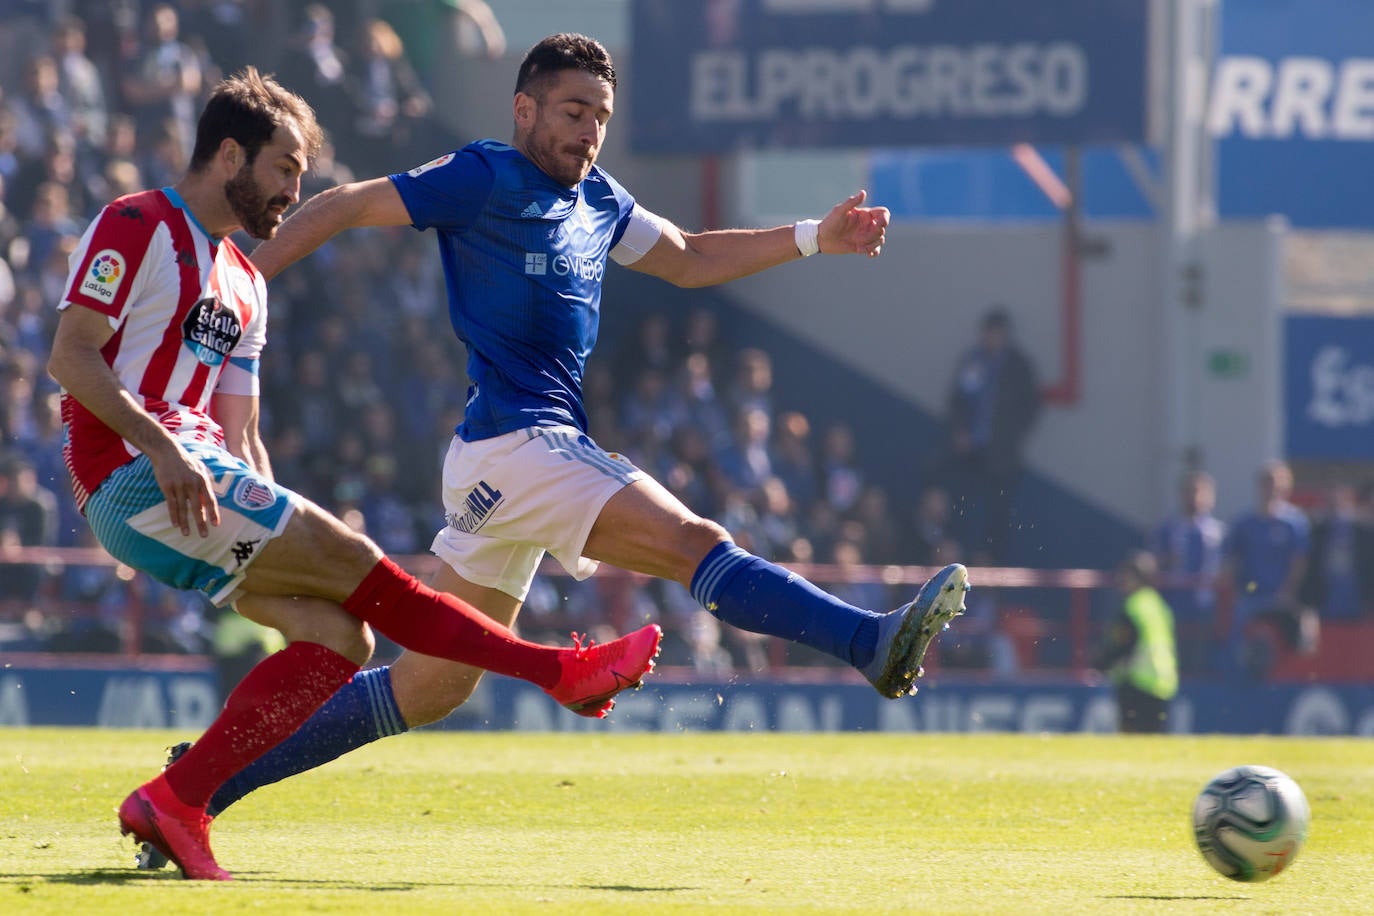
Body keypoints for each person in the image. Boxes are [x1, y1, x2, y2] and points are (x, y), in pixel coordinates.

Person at [135, 33, 970, 861]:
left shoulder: (600, 198)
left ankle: (199, 783)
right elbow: (350, 201)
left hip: (498, 462)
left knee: (429, 687)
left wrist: (812, 237)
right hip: (519, 444)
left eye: (600, 117)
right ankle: (869, 641)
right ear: (524, 108)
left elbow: (685, 257)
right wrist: (234, 278)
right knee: (694, 545)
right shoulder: (485, 174)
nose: (588, 131)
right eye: (573, 112)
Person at [46, 67, 662, 881]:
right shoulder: (134, 224)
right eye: (284, 170)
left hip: (197, 483)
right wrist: (161, 450)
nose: (294, 194)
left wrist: (266, 511)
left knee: (342, 634)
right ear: (229, 153)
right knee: (361, 563)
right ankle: (557, 671)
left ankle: (179, 797)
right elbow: (69, 356)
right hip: (130, 470)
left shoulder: (243, 282)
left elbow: (244, 434)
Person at [934, 306, 1042, 564]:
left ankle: (990, 560)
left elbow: (1029, 407)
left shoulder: (1018, 366)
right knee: (963, 508)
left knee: (998, 512)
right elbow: (957, 399)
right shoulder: (973, 361)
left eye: (996, 333)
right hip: (968, 453)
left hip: (1001, 457)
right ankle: (957, 558)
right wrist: (960, 431)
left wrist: (1008, 438)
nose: (991, 338)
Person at [1220, 460, 1310, 679]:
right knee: (1235, 635)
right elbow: (1231, 561)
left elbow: (1299, 562)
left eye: (1276, 483)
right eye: (1266, 482)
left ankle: (1294, 681)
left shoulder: (1294, 522)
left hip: (1282, 598)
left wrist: (1287, 592)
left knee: (1299, 638)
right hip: (1251, 596)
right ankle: (1235, 678)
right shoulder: (1244, 522)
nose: (1271, 488)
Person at [1092, 550, 1179, 733]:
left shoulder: (1132, 606)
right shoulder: (1157, 603)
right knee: (1154, 743)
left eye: (1126, 576)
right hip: (1162, 682)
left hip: (1136, 683)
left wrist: (1101, 664)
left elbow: (1122, 643)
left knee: (1132, 741)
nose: (1121, 581)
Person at [1150, 470, 1225, 676]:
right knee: (1173, 653)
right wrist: (1167, 560)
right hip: (1174, 603)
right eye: (1190, 492)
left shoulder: (1218, 532)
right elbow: (1154, 563)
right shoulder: (1168, 528)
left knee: (1202, 655)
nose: (1195, 498)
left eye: (1201, 492)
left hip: (1205, 605)